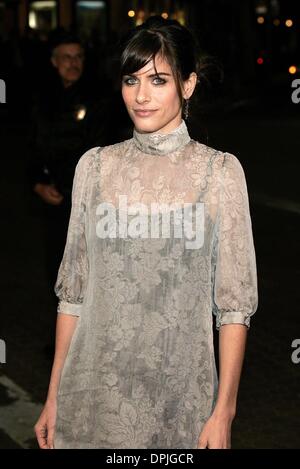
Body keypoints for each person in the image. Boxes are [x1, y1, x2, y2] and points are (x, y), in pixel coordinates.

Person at [34, 16, 258, 449]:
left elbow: (233, 306)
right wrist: (54, 397)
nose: (140, 96)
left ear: (188, 85)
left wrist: (223, 412)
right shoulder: (94, 168)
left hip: (180, 404)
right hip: (90, 398)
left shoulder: (219, 174)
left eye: (158, 80)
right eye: (131, 80)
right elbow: (73, 295)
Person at [28, 30, 111, 289]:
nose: (73, 63)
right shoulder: (41, 98)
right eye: (66, 57)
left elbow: (98, 147)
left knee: (92, 271)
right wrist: (38, 183)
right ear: (54, 61)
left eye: (78, 57)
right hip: (56, 201)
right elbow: (32, 146)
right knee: (58, 267)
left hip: (90, 199)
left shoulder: (99, 97)